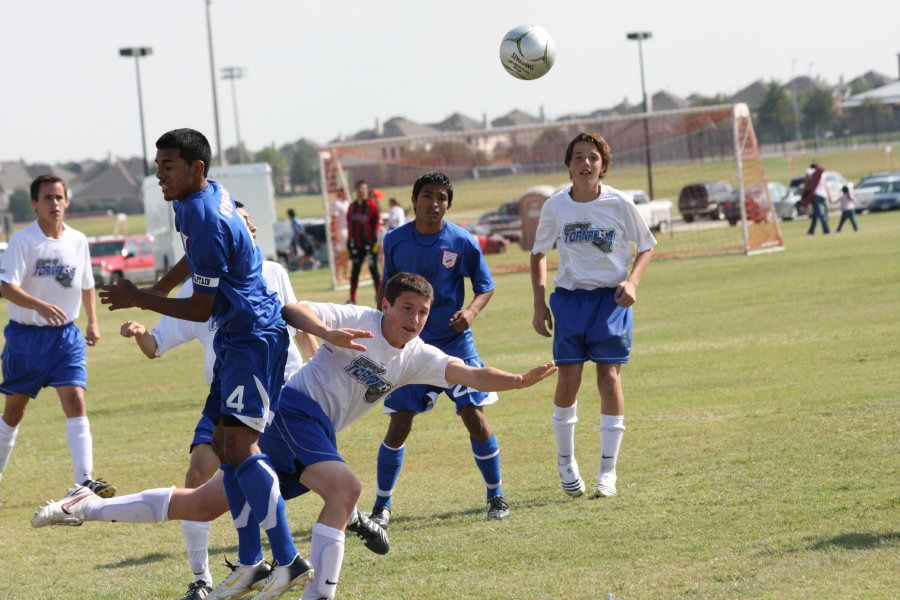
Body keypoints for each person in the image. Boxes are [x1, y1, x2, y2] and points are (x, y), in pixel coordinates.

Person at [33, 272, 558, 600]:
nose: (415, 320)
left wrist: (516, 380)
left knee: (200, 505)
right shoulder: (360, 319)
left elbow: (468, 373)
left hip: (309, 432)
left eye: (422, 313)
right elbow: (293, 310)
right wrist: (327, 332)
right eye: (406, 309)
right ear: (386, 304)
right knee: (346, 489)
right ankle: (315, 591)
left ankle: (84, 506)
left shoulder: (419, 354)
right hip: (292, 410)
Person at [98, 128, 310, 599]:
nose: (158, 175)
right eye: (157, 166)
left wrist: (142, 299)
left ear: (196, 168)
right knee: (223, 443)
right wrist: (157, 288)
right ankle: (253, 562)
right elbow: (194, 264)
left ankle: (289, 559)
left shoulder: (206, 215)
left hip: (253, 337)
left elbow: (202, 307)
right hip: (236, 339)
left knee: (242, 446)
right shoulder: (194, 200)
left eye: (167, 166)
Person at [368, 170, 510, 527]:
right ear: (414, 200)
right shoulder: (396, 241)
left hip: (454, 343)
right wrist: (386, 333)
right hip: (411, 345)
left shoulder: (462, 240)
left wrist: (472, 311)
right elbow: (386, 291)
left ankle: (496, 495)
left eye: (442, 198)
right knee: (400, 422)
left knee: (473, 417)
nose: (434, 203)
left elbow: (485, 285)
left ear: (449, 204)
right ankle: (381, 506)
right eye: (427, 196)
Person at [530, 132, 656, 499]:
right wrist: (540, 303)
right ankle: (566, 462)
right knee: (568, 378)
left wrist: (632, 282)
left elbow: (646, 245)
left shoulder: (619, 203)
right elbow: (539, 253)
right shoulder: (556, 206)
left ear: (603, 165)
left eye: (593, 158)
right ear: (568, 165)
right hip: (570, 300)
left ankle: (607, 471)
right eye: (579, 157)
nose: (586, 163)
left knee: (609, 378)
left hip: (611, 301)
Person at [0, 174, 115, 502]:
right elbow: (6, 286)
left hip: (67, 337)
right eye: (48, 198)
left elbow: (87, 284)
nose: (55, 204)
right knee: (14, 412)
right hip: (27, 339)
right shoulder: (24, 241)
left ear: (67, 201)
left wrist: (92, 321)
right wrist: (37, 305)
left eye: (59, 197)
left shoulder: (78, 240)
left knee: (76, 399)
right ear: (35, 203)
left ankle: (85, 480)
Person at [347, 179, 381, 305]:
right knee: (354, 272)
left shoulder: (372, 206)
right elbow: (349, 225)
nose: (361, 191)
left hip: (370, 244)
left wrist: (375, 243)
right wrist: (349, 242)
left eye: (364, 189)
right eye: (359, 189)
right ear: (355, 190)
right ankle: (352, 299)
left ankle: (378, 297)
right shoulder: (352, 207)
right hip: (356, 245)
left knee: (374, 271)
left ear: (367, 190)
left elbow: (376, 225)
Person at [803, 162, 830, 235]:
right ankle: (811, 231)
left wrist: (804, 193)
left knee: (820, 213)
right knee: (816, 214)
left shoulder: (811, 172)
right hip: (823, 195)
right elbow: (826, 185)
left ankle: (826, 229)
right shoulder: (823, 174)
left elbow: (806, 182)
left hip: (815, 195)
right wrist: (829, 196)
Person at [329, 189, 351, 282]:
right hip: (341, 231)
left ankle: (345, 273)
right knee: (339, 254)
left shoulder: (346, 203)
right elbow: (334, 219)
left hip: (348, 231)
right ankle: (337, 274)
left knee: (346, 254)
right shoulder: (336, 204)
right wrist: (335, 233)